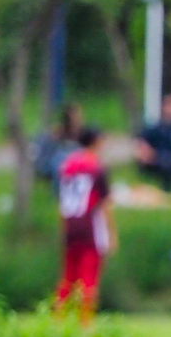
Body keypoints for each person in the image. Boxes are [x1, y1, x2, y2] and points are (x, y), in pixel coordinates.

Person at [55, 126, 117, 320]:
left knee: (68, 278)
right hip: (90, 226)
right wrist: (112, 233)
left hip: (69, 225)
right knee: (89, 279)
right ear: (96, 141)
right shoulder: (96, 166)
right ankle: (85, 324)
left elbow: (62, 198)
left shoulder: (67, 164)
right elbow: (104, 203)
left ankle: (57, 320)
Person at [34, 103, 84, 190]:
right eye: (74, 114)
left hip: (75, 159)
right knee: (58, 164)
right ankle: (59, 192)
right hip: (59, 159)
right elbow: (50, 146)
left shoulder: (82, 131)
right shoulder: (60, 130)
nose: (77, 117)